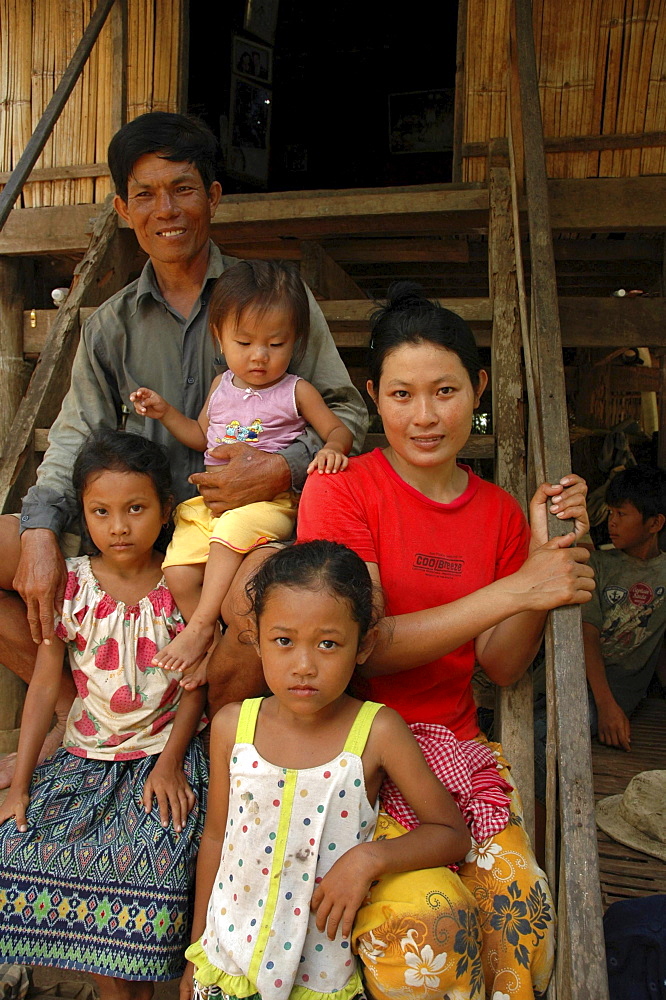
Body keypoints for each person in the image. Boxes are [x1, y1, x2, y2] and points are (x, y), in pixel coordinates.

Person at [0, 111, 367, 780]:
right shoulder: (110, 325)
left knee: (259, 603)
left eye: (183, 188)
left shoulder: (273, 300)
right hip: (134, 528)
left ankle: (199, 751)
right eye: (145, 193)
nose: (164, 209)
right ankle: (94, 713)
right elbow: (76, 433)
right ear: (121, 207)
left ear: (215, 196)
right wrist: (39, 527)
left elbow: (347, 410)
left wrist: (280, 470)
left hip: (245, 534)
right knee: (8, 549)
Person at [296, 282, 596, 999]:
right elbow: (363, 643)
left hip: (457, 755)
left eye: (445, 391)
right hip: (359, 763)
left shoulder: (496, 512)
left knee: (522, 919)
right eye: (401, 396)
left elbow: (499, 661)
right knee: (426, 934)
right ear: (372, 396)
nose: (424, 417)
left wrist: (540, 560)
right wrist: (519, 587)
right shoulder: (342, 492)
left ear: (479, 387)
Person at [180, 540, 474, 1000]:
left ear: (363, 645)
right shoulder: (233, 726)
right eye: (283, 640)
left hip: (320, 975)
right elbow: (217, 837)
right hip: (227, 962)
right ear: (255, 638)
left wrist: (367, 859)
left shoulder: (376, 731)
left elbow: (450, 832)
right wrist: (196, 951)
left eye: (328, 644)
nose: (304, 665)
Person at [0, 429, 208, 993]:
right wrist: (20, 786)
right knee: (21, 848)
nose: (119, 527)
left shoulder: (180, 584)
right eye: (101, 511)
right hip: (84, 759)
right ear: (83, 515)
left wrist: (170, 764)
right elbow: (45, 686)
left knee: (155, 863)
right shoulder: (70, 584)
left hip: (163, 758)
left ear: (166, 511)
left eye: (136, 509)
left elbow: (196, 684)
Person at [130, 260, 352, 678]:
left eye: (276, 343)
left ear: (296, 342)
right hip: (211, 507)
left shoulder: (295, 391)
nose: (259, 356)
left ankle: (196, 629)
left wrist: (333, 450)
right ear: (219, 337)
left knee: (229, 537)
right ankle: (210, 643)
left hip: (270, 504)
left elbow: (336, 429)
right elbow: (200, 436)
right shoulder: (221, 387)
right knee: (176, 572)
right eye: (244, 342)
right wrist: (164, 413)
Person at [534, 465, 666, 800]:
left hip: (612, 697)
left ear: (655, 523)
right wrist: (606, 706)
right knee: (532, 727)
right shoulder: (600, 565)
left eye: (623, 514)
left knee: (543, 734)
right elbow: (586, 636)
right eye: (610, 512)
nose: (613, 522)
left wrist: (608, 705)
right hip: (578, 686)